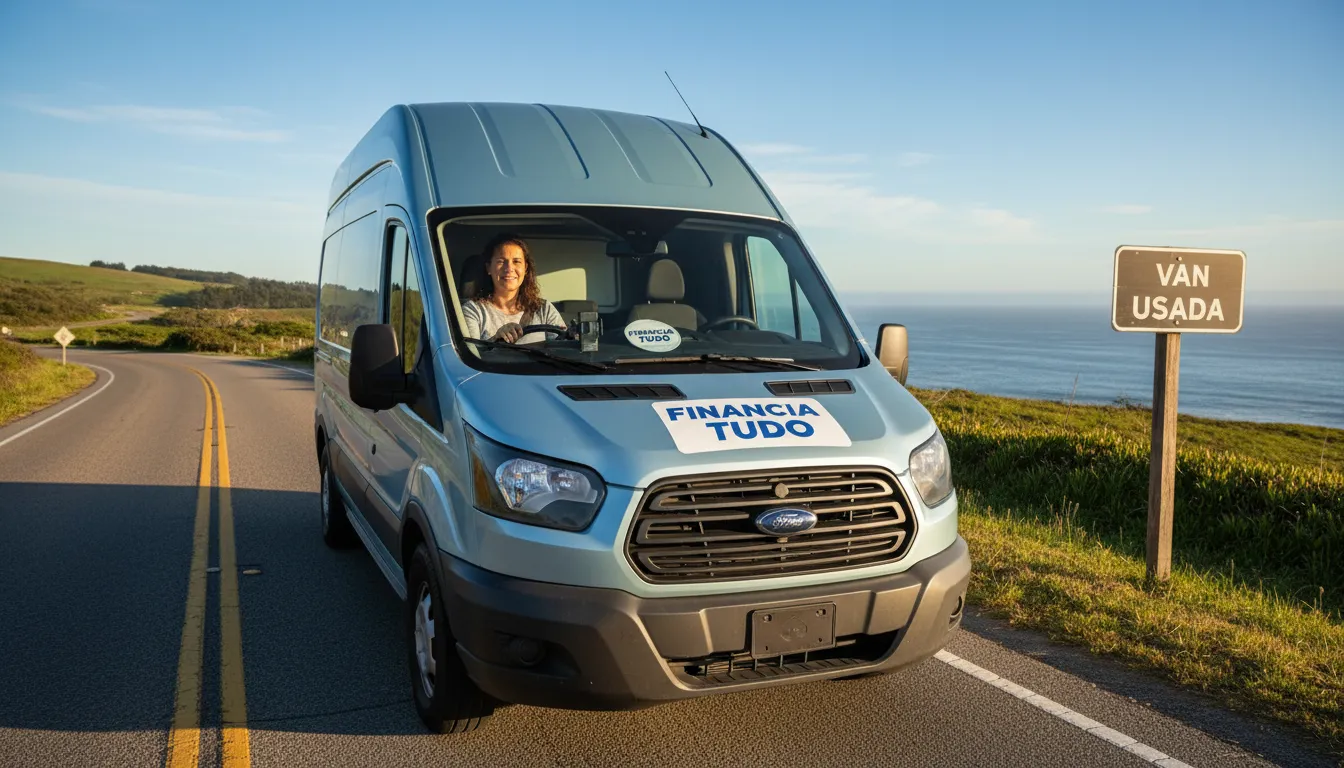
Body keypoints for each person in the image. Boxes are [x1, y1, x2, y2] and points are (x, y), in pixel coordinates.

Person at [462, 233, 566, 344]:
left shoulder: (544, 309)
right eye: (501, 261)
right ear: (488, 268)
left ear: (525, 268)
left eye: (516, 261)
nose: (509, 268)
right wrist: (496, 340)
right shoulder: (473, 311)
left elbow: (564, 347)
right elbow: (469, 352)